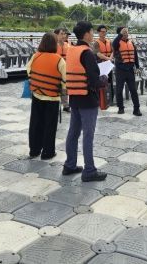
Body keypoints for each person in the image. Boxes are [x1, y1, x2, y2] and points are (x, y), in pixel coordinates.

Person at [62, 21, 107, 182]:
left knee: (73, 133)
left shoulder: (71, 49)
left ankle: (70, 165)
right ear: (87, 34)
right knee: (88, 135)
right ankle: (89, 171)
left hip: (74, 97)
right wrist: (104, 79)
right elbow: (94, 80)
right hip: (87, 98)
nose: (93, 34)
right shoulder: (87, 53)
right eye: (92, 31)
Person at [27, 32, 66, 160]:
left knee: (35, 123)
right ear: (54, 44)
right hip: (52, 97)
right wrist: (64, 98)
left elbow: (29, 71)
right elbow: (65, 81)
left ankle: (34, 150)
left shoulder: (35, 56)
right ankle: (48, 152)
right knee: (50, 125)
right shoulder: (59, 60)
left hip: (37, 95)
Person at [112, 26, 142, 116]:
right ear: (120, 34)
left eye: (127, 32)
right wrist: (121, 34)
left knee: (133, 90)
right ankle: (121, 108)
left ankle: (136, 109)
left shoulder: (131, 42)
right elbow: (114, 44)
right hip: (120, 70)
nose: (126, 34)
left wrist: (137, 66)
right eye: (124, 32)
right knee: (119, 90)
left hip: (130, 70)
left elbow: (135, 55)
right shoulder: (116, 43)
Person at [93, 24, 114, 103]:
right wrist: (108, 59)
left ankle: (110, 99)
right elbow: (98, 54)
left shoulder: (109, 41)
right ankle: (100, 100)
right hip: (101, 65)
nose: (104, 33)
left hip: (108, 65)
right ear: (98, 32)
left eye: (105, 32)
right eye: (102, 32)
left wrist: (110, 58)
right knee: (101, 82)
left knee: (110, 81)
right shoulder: (96, 43)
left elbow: (113, 51)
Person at [54, 28, 71, 113]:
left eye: (64, 34)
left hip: (65, 69)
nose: (64, 36)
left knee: (65, 87)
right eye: (62, 34)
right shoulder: (53, 46)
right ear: (56, 35)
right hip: (55, 70)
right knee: (55, 87)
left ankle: (65, 105)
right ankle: (55, 104)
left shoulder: (67, 45)